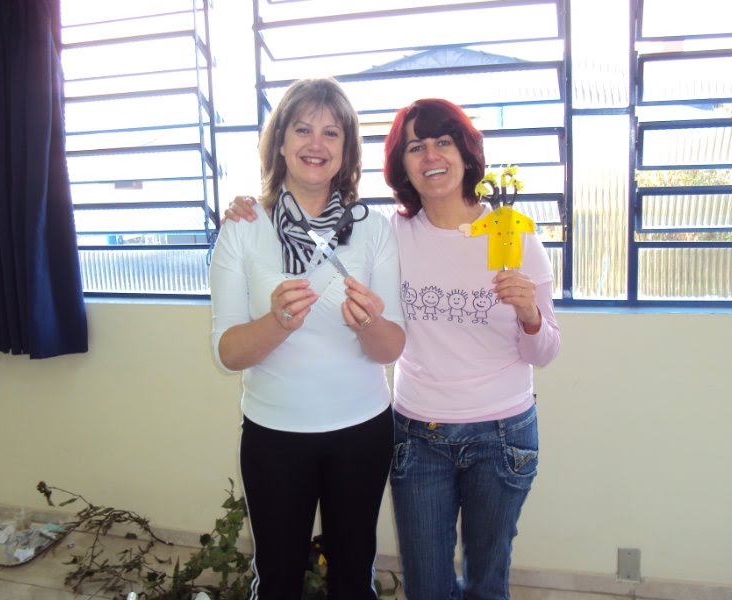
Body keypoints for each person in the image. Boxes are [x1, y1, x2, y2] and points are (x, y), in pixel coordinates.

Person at [224, 97, 561, 600]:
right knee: (426, 588)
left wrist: (531, 316)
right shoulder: (391, 231)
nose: (431, 156)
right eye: (416, 147)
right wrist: (248, 209)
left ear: (466, 151)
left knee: (488, 583)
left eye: (444, 142)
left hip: (502, 432)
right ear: (401, 163)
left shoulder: (512, 234)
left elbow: (544, 351)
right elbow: (316, 215)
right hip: (419, 435)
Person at [209, 77, 405, 600]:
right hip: (274, 434)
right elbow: (227, 353)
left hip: (362, 430)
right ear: (279, 142)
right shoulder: (244, 226)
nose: (316, 144)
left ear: (347, 150)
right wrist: (277, 322)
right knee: (276, 579)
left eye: (331, 133)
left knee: (353, 578)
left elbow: (392, 348)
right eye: (302, 129)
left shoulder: (373, 228)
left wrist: (369, 325)